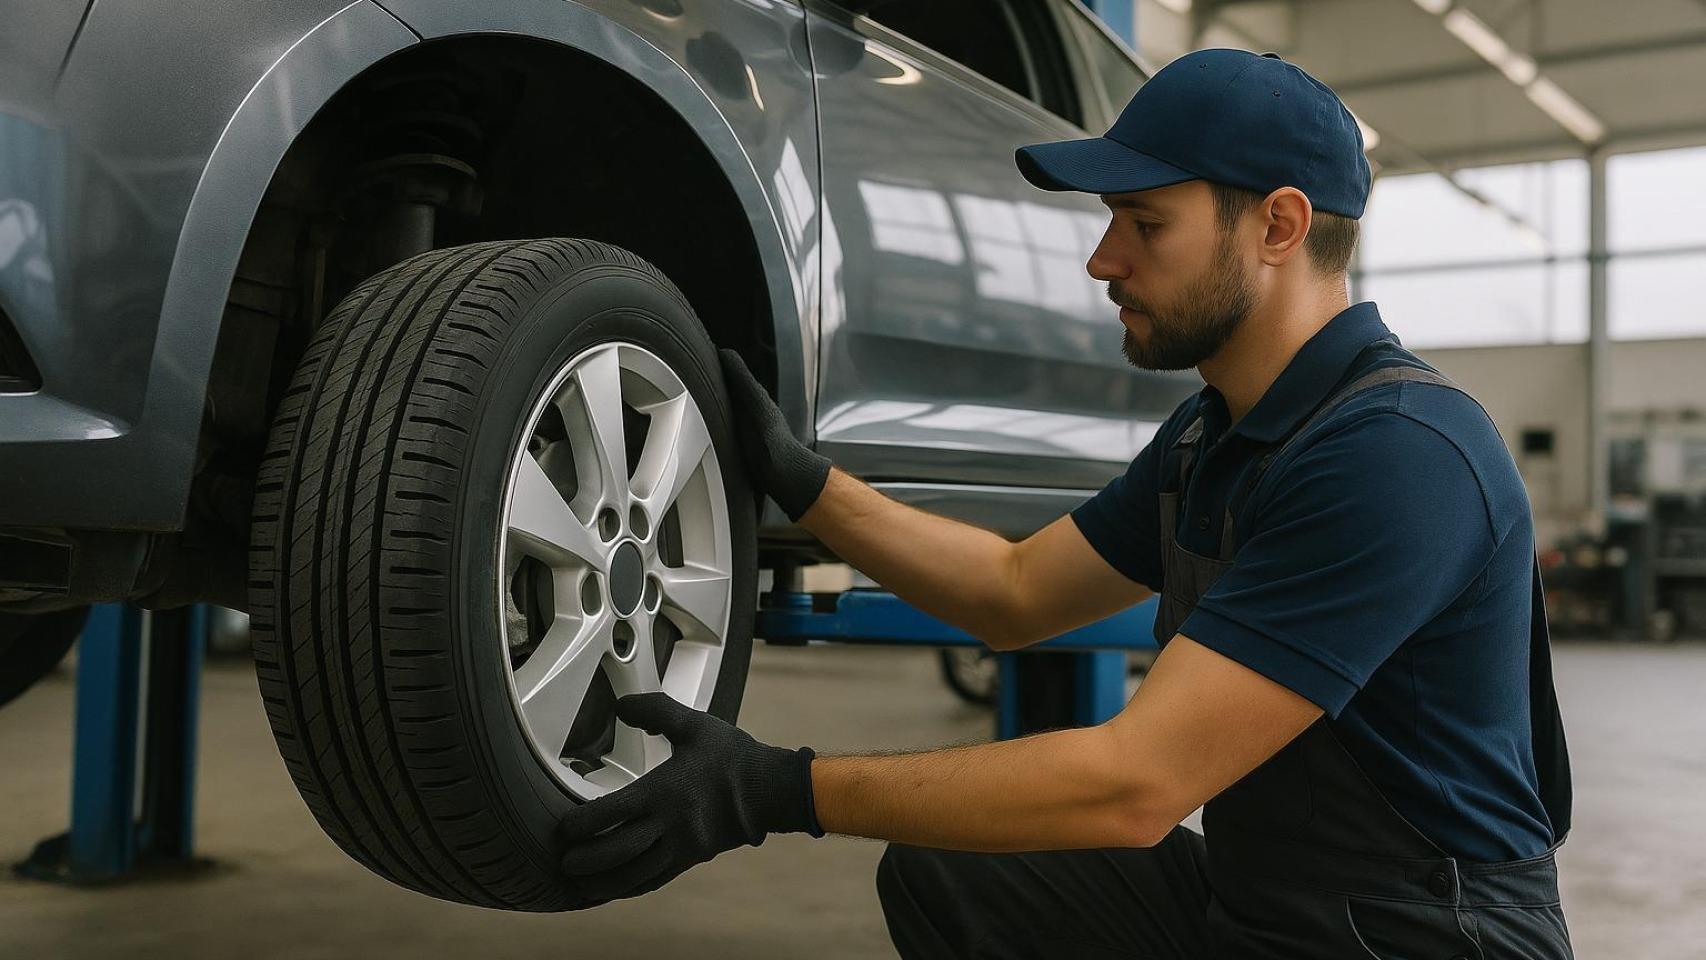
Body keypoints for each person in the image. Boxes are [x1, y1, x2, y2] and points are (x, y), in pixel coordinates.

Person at [555, 48, 1573, 959]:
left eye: (1144, 224)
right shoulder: (1212, 435)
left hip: (1418, 934)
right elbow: (1013, 591)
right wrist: (807, 486)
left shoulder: (1396, 453)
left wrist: (775, 788)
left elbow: (1135, 784)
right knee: (957, 874)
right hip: (1262, 906)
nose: (1103, 261)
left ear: (1278, 225)